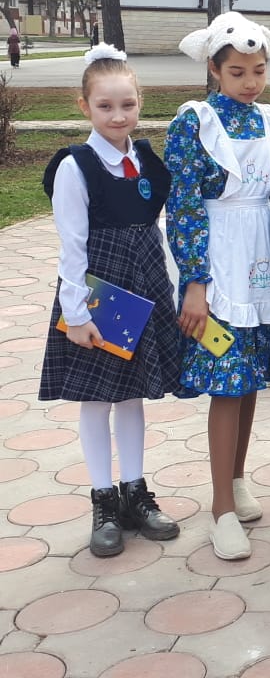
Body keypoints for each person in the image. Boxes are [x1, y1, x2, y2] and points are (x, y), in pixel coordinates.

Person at [39, 44, 181, 557]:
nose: (118, 116)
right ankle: (103, 500)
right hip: (101, 294)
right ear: (85, 106)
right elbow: (72, 246)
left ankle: (135, 493)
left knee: (133, 395)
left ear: (139, 101)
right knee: (98, 398)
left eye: (127, 104)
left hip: (144, 285)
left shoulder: (144, 159)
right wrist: (76, 314)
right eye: (105, 106)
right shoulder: (75, 166)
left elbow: (156, 227)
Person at [166, 11, 270, 560]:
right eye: (237, 72)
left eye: (259, 71)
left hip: (262, 261)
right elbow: (184, 206)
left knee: (250, 377)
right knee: (225, 379)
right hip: (218, 263)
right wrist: (196, 283)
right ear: (214, 70)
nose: (250, 82)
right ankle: (220, 510)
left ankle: (237, 479)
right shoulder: (194, 122)